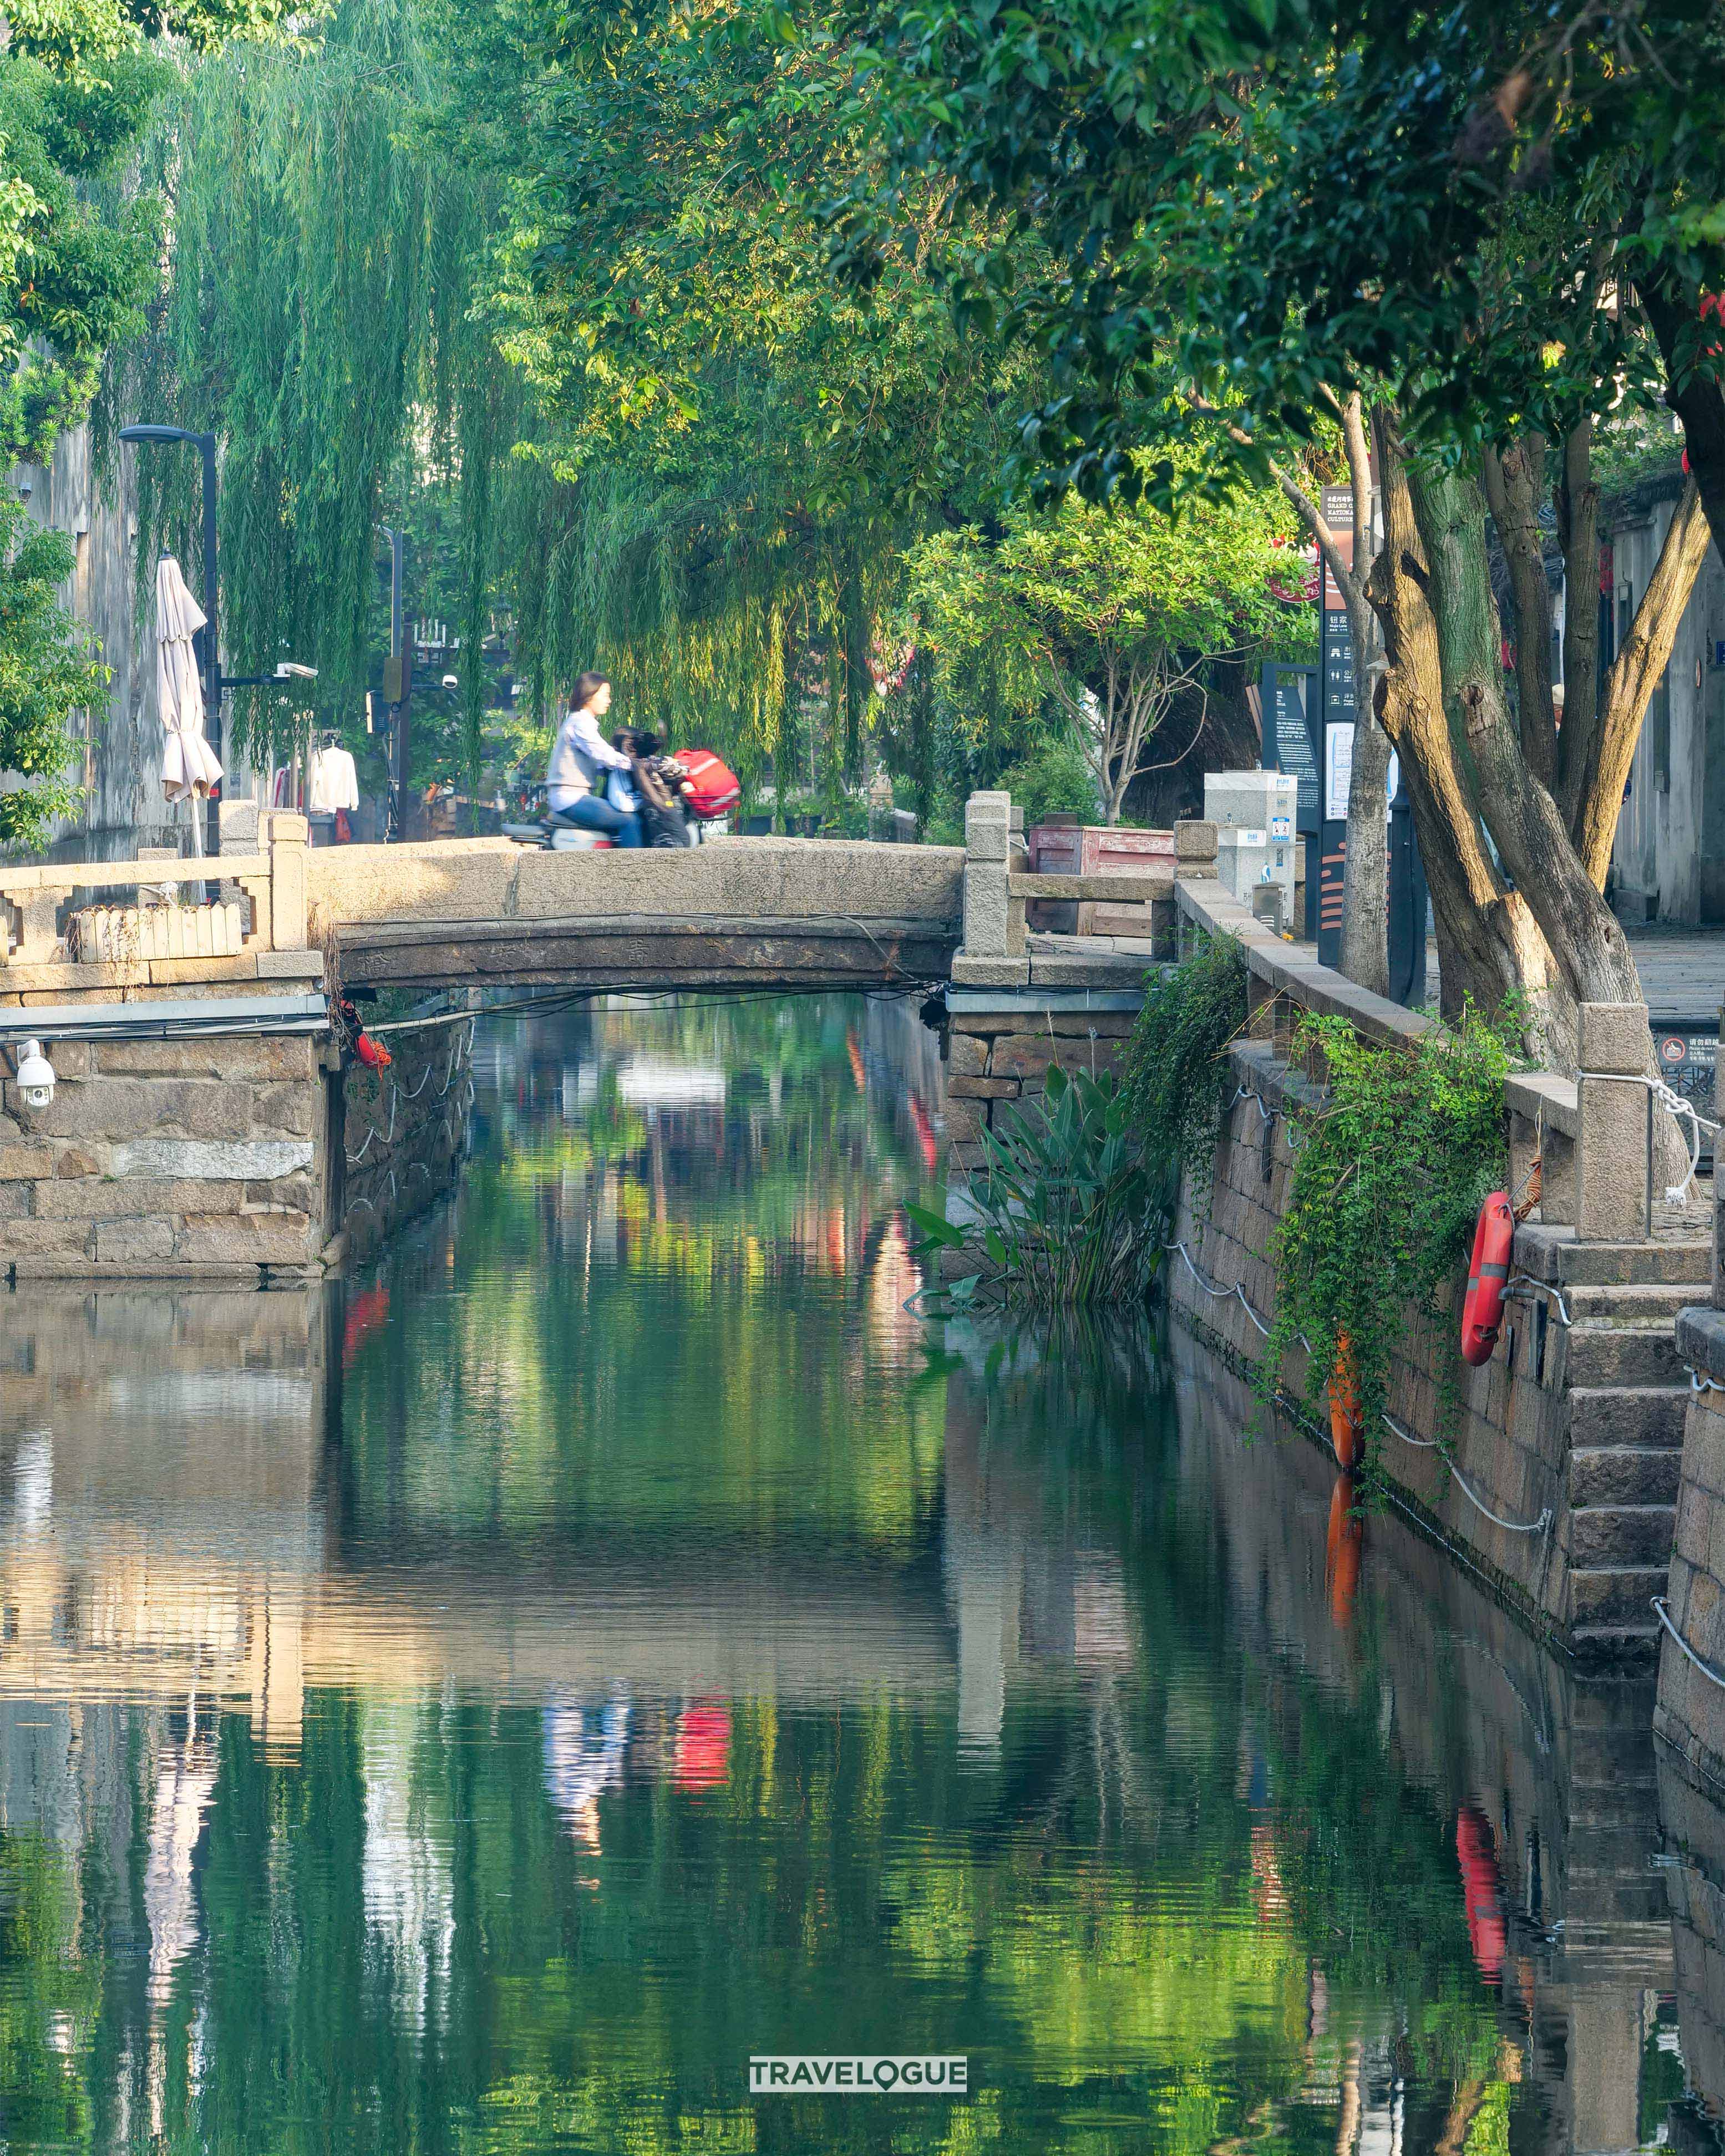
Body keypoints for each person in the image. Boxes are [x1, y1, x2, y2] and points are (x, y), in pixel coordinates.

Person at [545, 673, 642, 846]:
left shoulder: (582, 722)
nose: (609, 701)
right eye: (605, 695)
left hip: (574, 796)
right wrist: (638, 765)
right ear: (589, 695)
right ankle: (635, 872)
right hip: (570, 798)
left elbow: (599, 762)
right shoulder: (580, 723)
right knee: (629, 820)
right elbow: (604, 755)